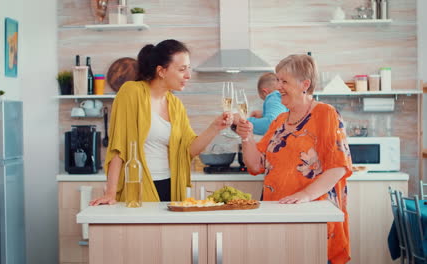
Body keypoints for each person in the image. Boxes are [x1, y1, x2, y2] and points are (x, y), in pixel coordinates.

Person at [236, 54, 352, 264]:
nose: (277, 86)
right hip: (277, 214)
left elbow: (338, 167)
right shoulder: (280, 120)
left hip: (312, 216)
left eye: (284, 81)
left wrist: (306, 194)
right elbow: (255, 165)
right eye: (277, 80)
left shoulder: (326, 114)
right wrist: (246, 137)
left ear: (304, 84)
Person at [90, 39, 232, 205]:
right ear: (161, 71)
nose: (188, 75)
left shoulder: (176, 104)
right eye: (182, 69)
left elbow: (189, 149)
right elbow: (118, 145)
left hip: (171, 186)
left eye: (189, 69)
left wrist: (215, 127)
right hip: (139, 186)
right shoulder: (131, 92)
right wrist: (110, 193)